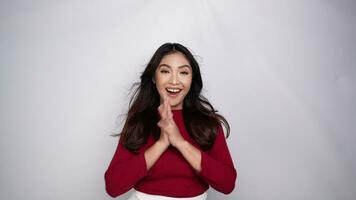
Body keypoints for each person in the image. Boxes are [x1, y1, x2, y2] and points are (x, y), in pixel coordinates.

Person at [104, 42, 237, 200]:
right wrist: (161, 144)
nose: (174, 81)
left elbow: (227, 183)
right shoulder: (139, 121)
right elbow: (113, 186)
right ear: (154, 77)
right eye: (166, 71)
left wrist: (180, 142)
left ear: (192, 78)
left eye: (183, 73)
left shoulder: (208, 124)